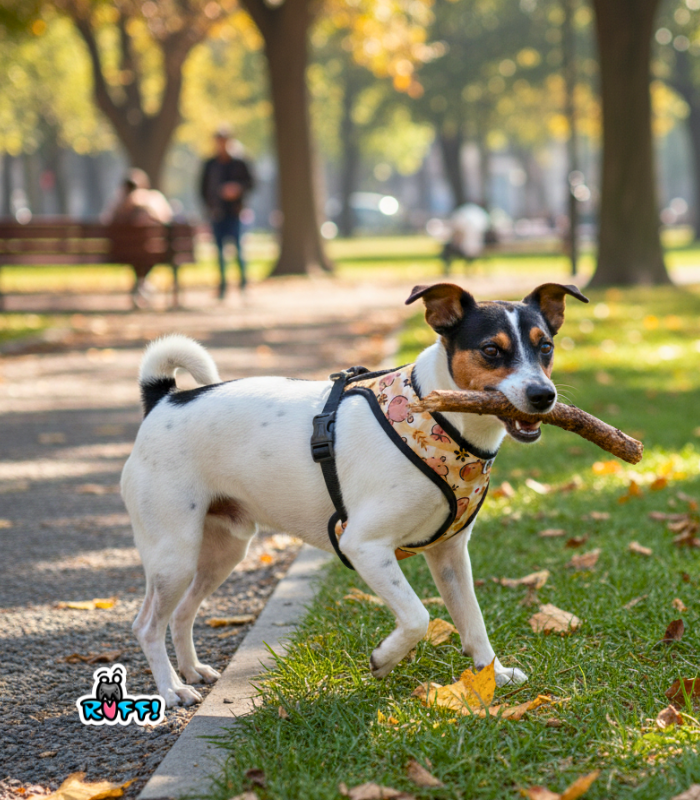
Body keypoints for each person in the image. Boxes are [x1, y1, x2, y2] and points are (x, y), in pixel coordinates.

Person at [199, 127, 254, 298]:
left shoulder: (240, 162)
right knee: (219, 251)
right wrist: (209, 207)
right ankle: (223, 286)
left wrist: (237, 190)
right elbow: (202, 188)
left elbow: (251, 183)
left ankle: (243, 284)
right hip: (217, 213)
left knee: (238, 248)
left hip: (235, 212)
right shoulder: (210, 165)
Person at [440, 202, 492, 275]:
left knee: (447, 249)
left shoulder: (462, 217)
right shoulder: (480, 217)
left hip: (465, 248)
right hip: (478, 246)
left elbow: (457, 236)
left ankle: (447, 270)